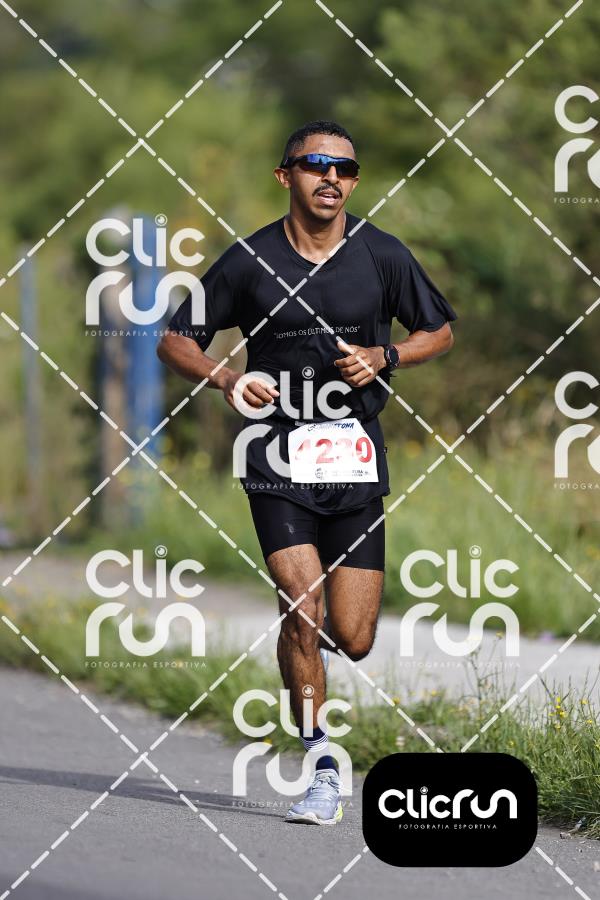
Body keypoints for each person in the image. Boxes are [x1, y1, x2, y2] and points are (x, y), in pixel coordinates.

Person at [157, 120, 456, 825]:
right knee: (301, 605)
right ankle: (321, 761)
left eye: (345, 169)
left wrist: (386, 357)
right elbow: (174, 339)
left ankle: (306, 645)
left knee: (353, 636)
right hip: (275, 456)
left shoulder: (381, 254)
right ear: (284, 174)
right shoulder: (248, 261)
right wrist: (227, 377)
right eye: (316, 164)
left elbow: (439, 330)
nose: (331, 178)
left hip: (354, 457)